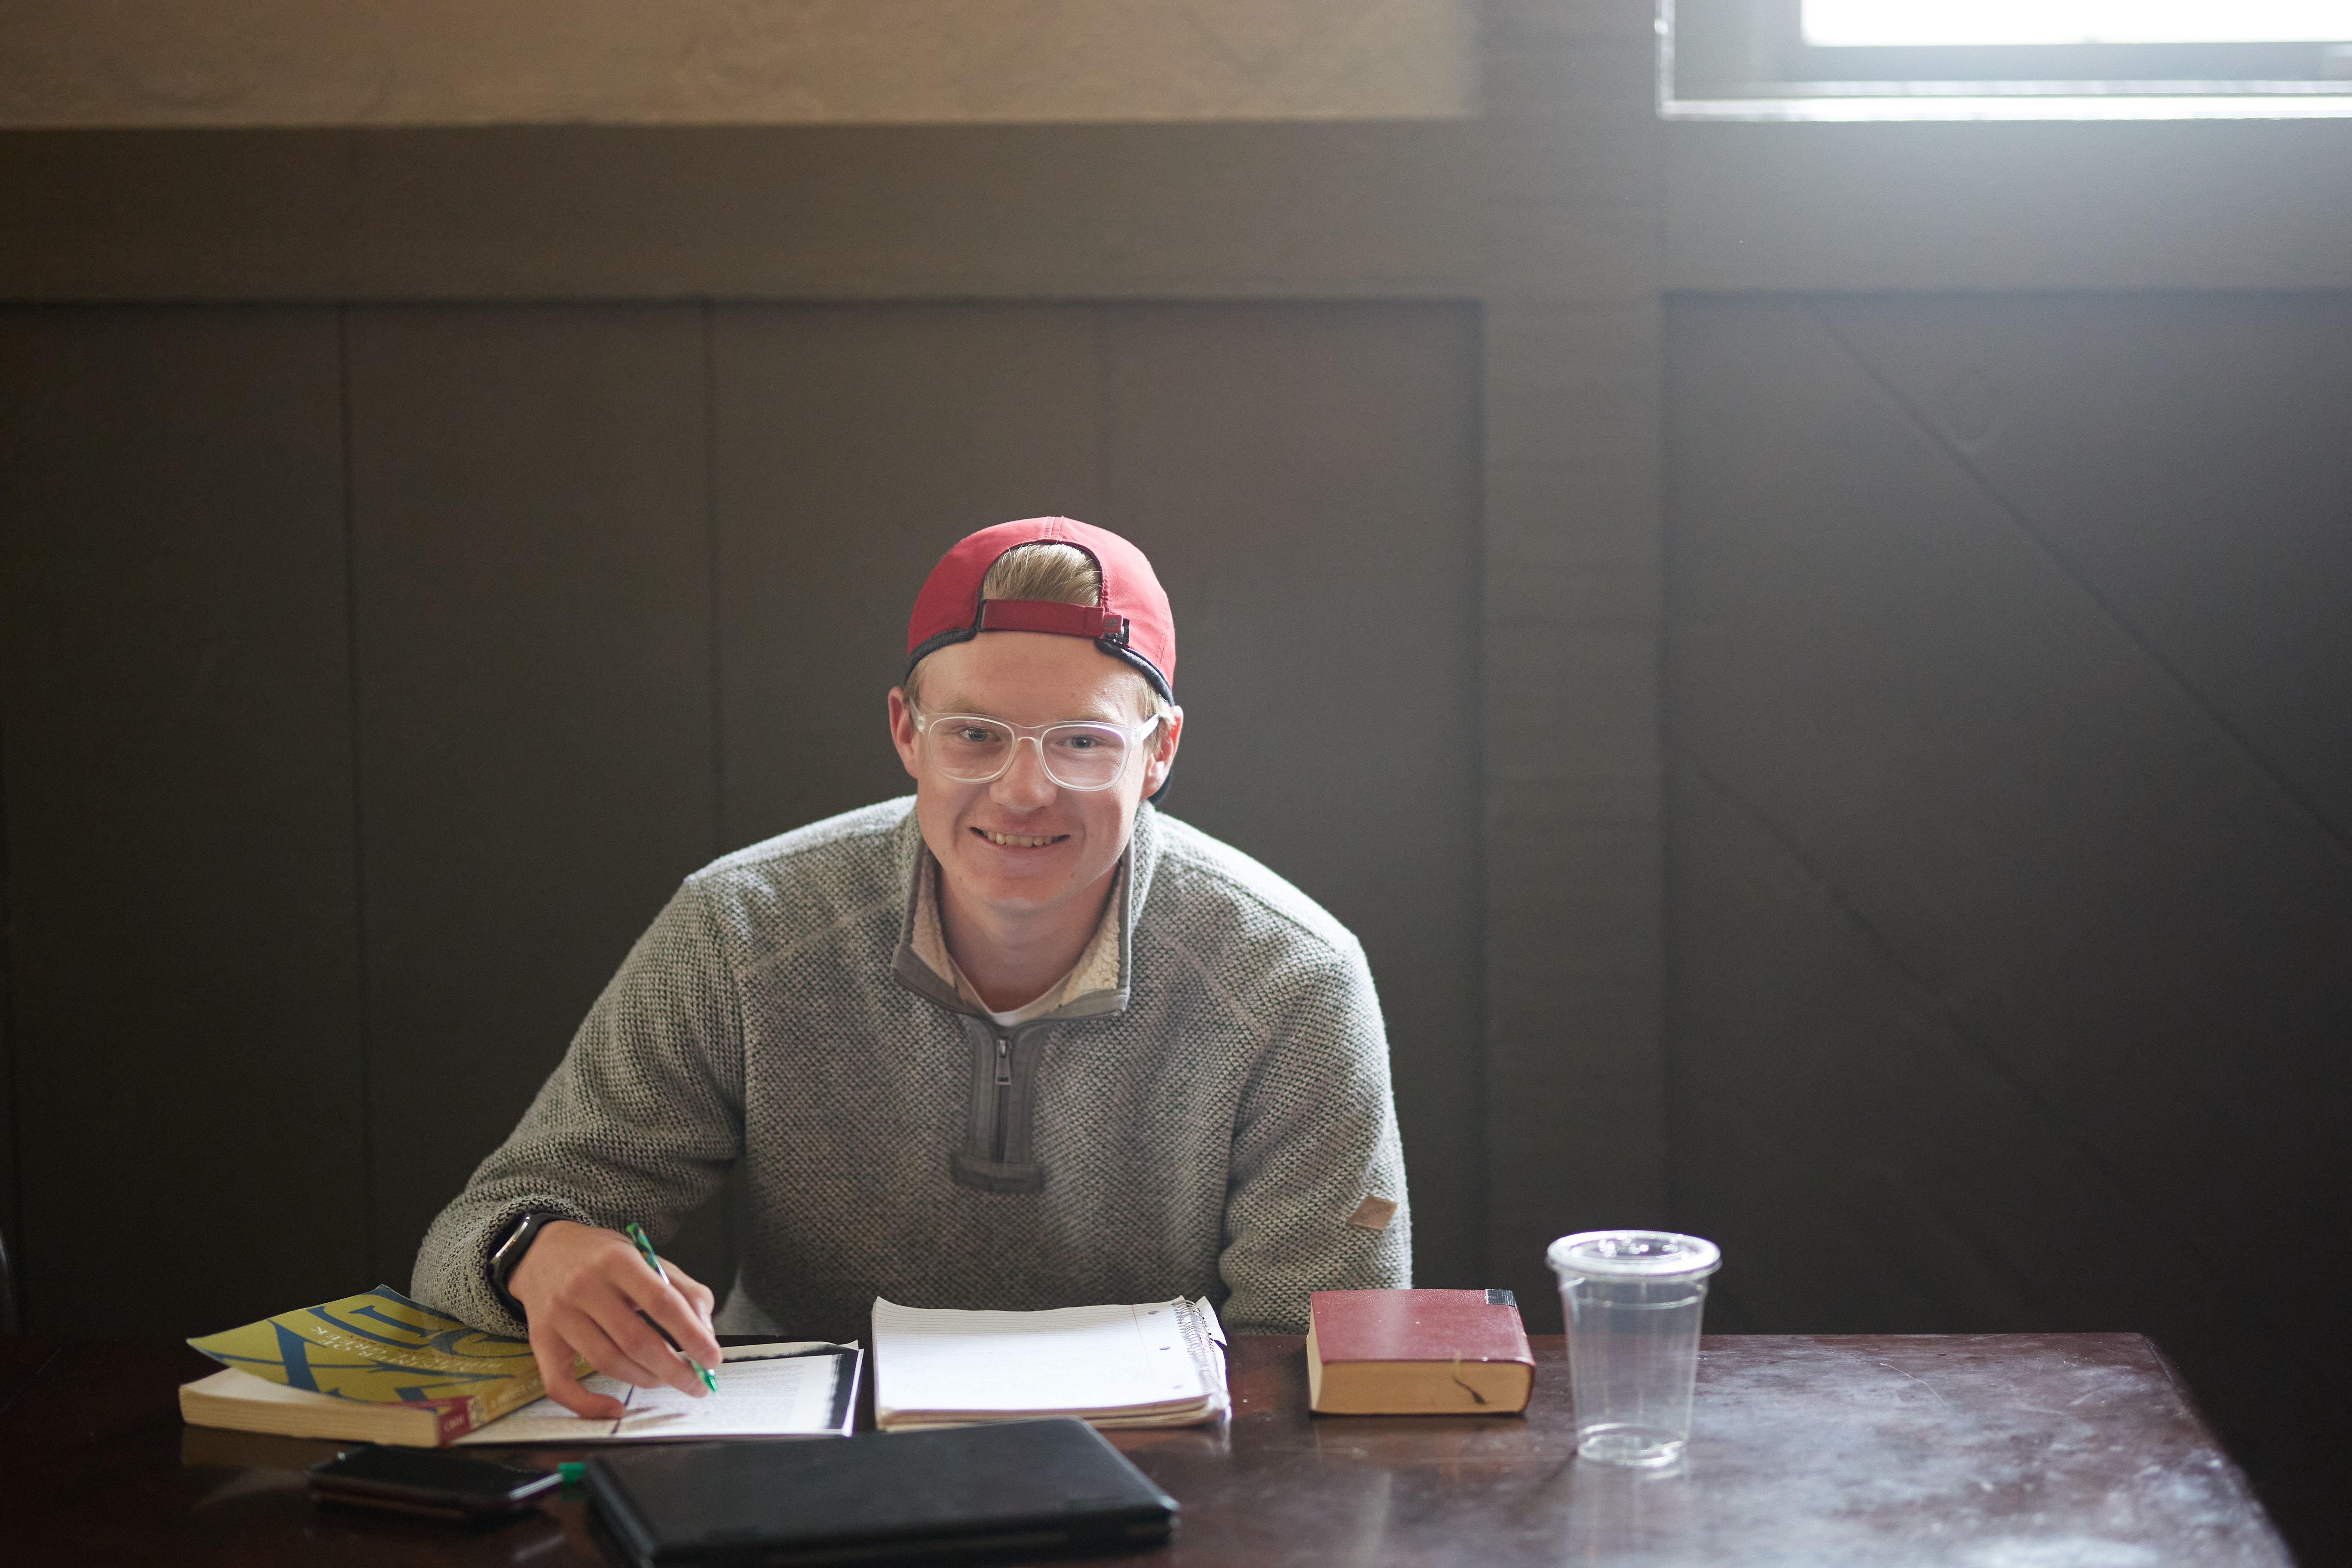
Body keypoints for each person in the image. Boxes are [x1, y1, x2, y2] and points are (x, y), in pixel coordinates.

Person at [412, 517, 1410, 1417]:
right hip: (810, 1461)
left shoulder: (1291, 981)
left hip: (1163, 1469)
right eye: (975, 735)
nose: (1025, 791)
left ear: (1158, 755)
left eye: (1083, 743)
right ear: (906, 733)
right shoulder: (744, 930)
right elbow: (476, 1234)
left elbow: (1326, 1342)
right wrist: (534, 1253)